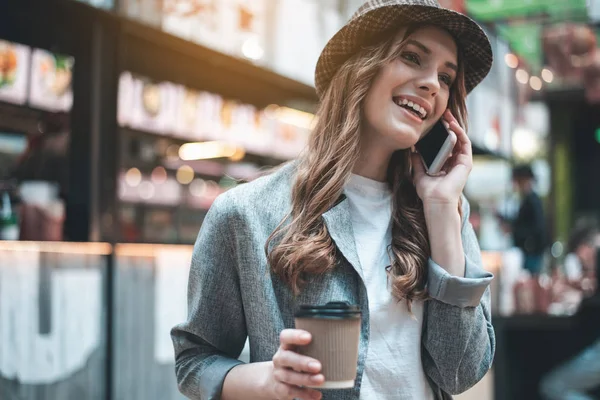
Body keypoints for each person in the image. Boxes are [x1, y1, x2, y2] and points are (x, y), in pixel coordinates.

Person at [171, 1, 495, 399]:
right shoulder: (247, 214)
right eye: (412, 57)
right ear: (361, 66)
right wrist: (266, 382)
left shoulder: (444, 213)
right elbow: (194, 362)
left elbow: (460, 372)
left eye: (446, 77)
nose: (432, 84)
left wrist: (444, 211)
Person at [511, 164, 547, 276]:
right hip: (530, 250)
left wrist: (517, 232)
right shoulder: (528, 200)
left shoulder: (532, 201)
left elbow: (537, 227)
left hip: (532, 251)